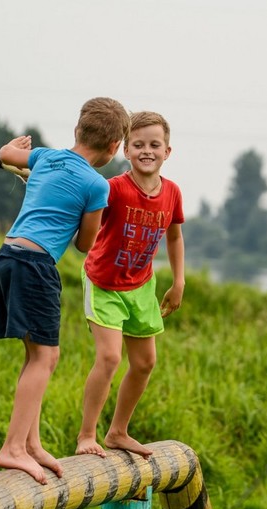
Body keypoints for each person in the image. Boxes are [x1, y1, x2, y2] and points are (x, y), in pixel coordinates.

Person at [0, 97, 130, 484]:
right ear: (115, 147)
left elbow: (6, 154)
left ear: (76, 131)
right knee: (46, 358)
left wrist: (17, 150)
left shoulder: (45, 158)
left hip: (6, 257)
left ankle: (31, 443)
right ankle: (13, 448)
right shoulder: (96, 185)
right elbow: (85, 244)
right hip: (35, 266)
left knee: (35, 353)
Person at [76, 111, 185, 459]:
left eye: (155, 144)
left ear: (168, 151)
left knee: (144, 363)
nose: (147, 151)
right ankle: (86, 436)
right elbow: (85, 217)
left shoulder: (172, 193)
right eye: (138, 144)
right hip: (104, 282)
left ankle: (118, 432)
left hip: (141, 285)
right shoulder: (113, 189)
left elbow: (175, 237)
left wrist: (178, 280)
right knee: (109, 358)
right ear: (126, 149)